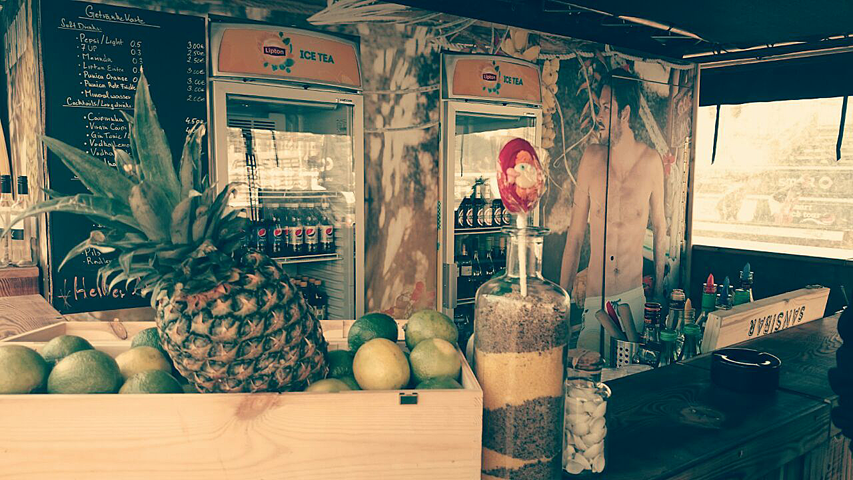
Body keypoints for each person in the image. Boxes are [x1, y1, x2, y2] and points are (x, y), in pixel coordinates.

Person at [560, 70, 667, 355]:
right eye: (599, 107)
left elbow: (660, 229)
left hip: (634, 299)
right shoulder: (591, 158)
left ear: (625, 114)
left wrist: (658, 292)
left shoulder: (651, 162)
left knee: (633, 373)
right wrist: (562, 301)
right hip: (597, 300)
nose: (599, 115)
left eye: (606, 108)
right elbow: (575, 236)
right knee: (587, 368)